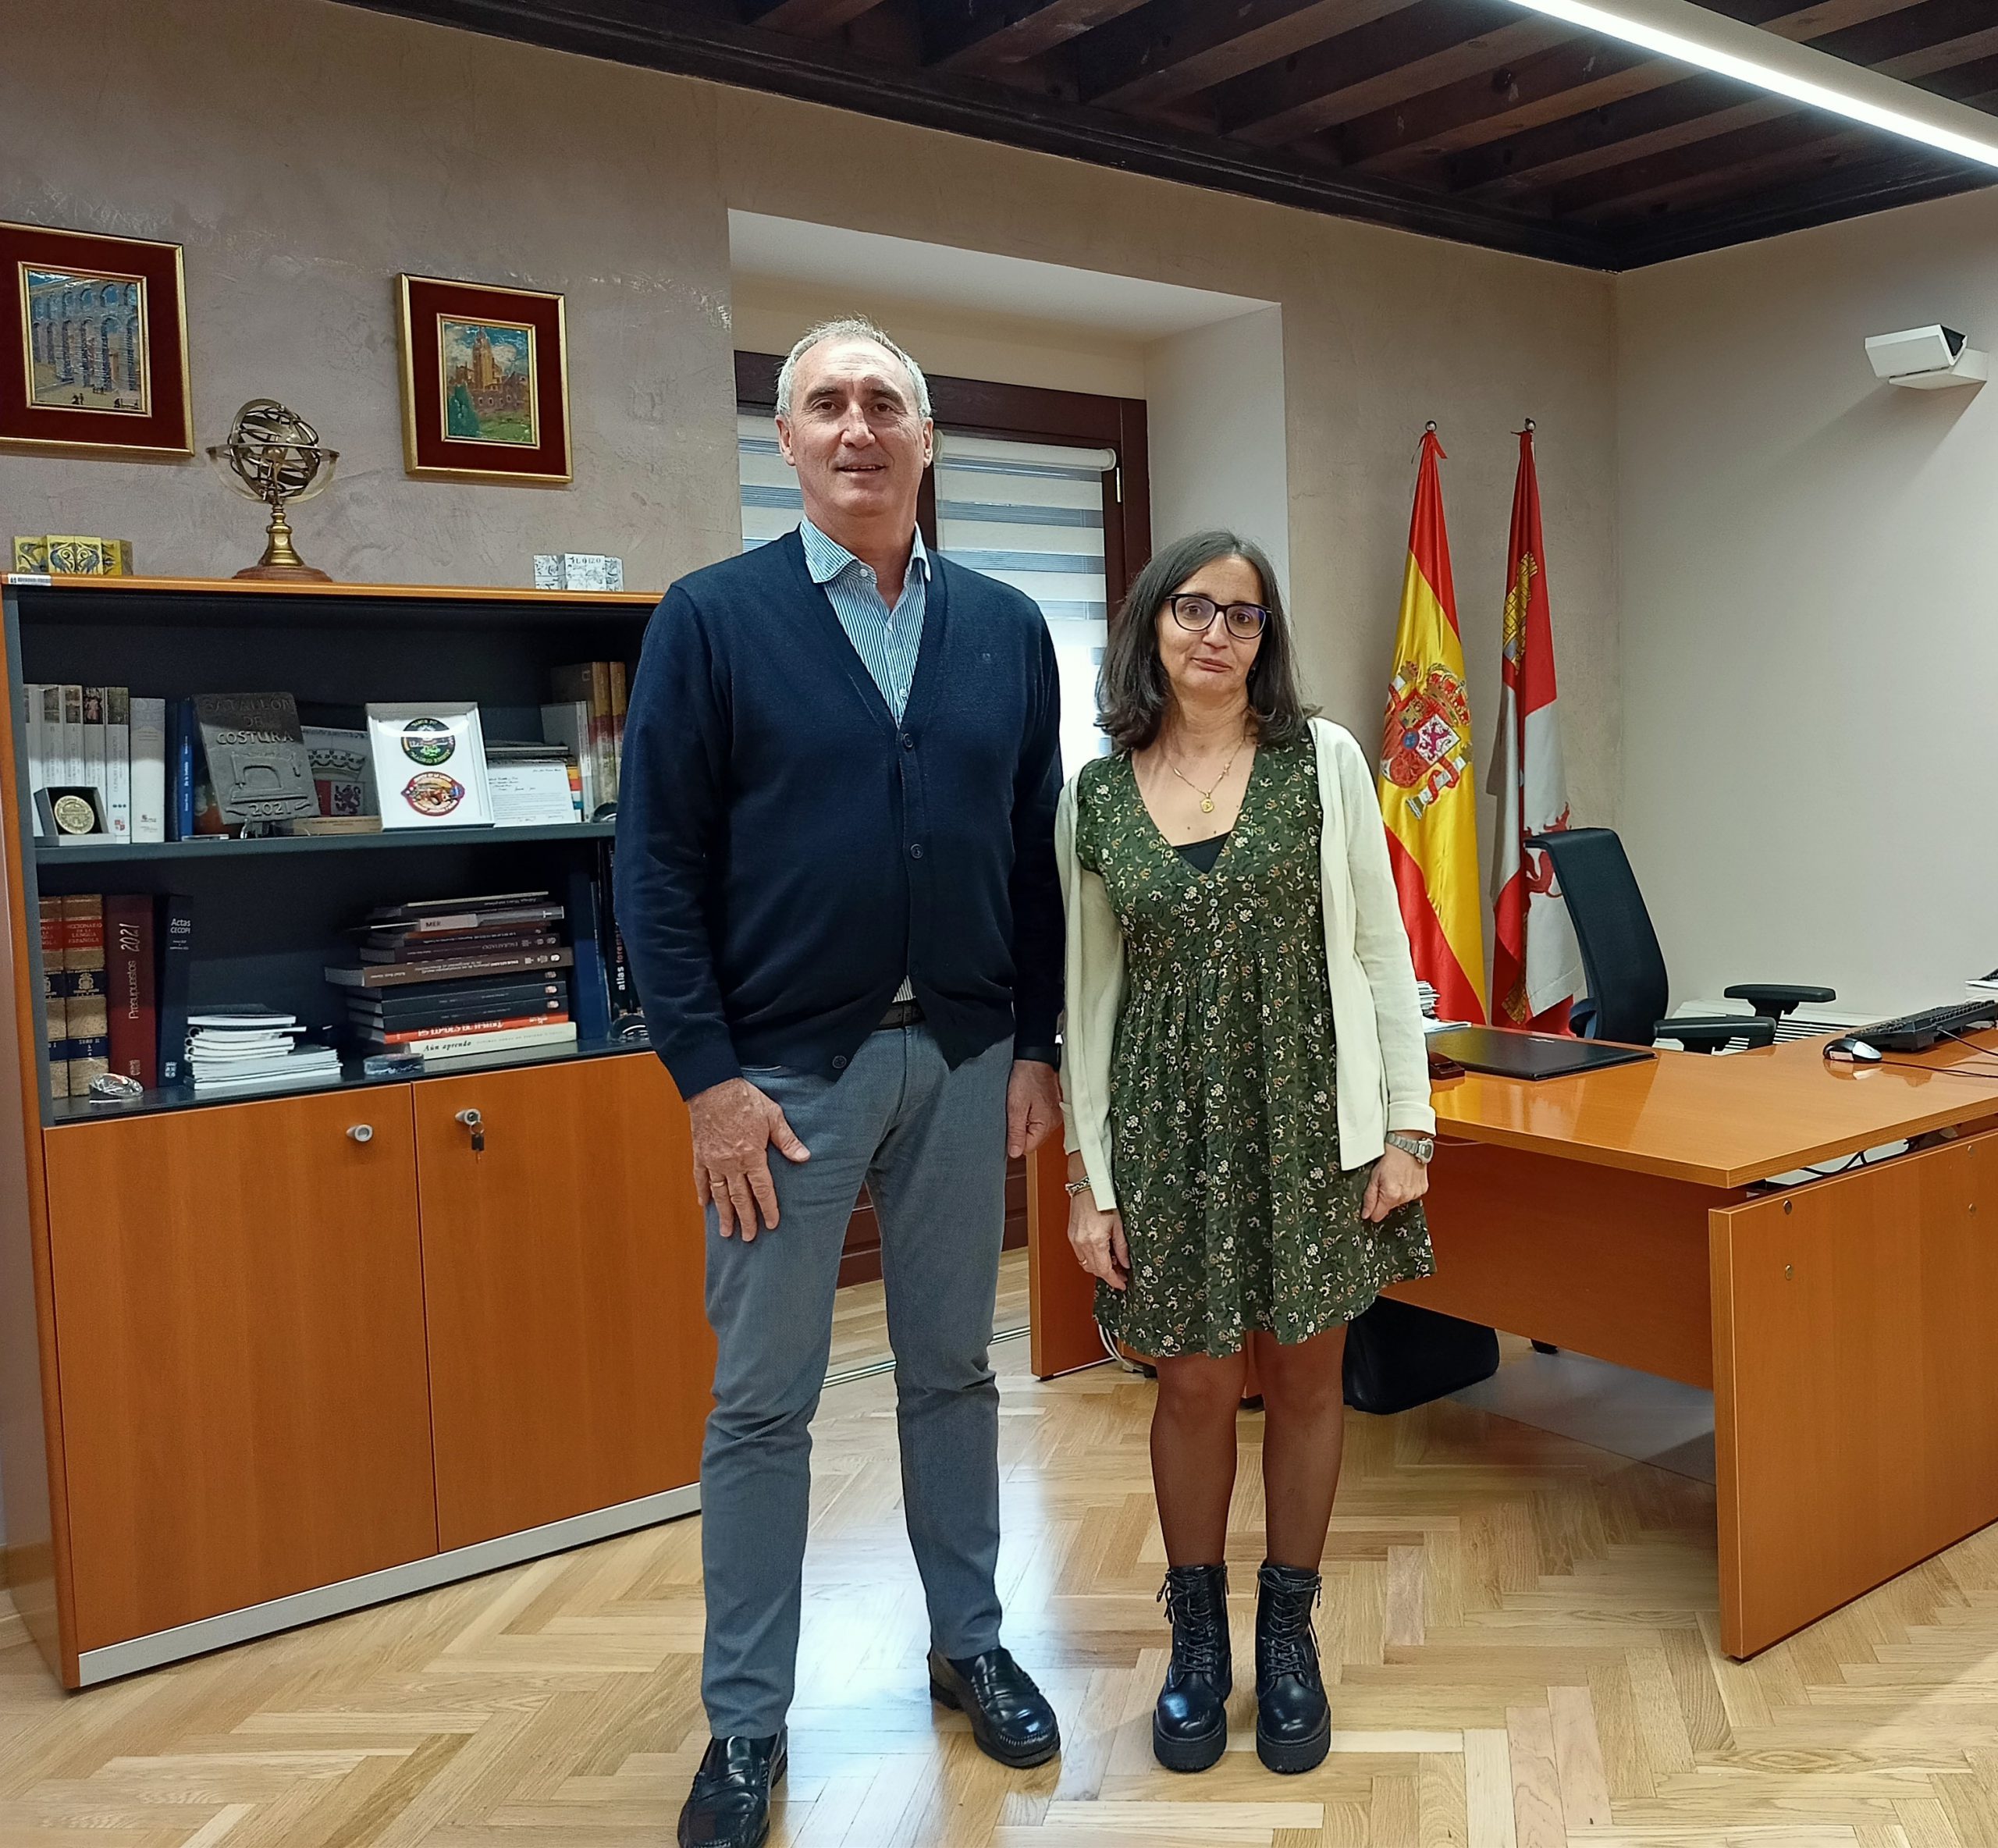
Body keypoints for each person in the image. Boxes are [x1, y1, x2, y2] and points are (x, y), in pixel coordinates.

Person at [617, 318, 1067, 1848]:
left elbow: (1031, 855)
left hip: (965, 1056)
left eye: (885, 403)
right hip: (777, 1086)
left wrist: (1038, 1043)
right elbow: (655, 869)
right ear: (788, 440)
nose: (857, 427)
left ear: (926, 438)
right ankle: (747, 1722)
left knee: (953, 1370)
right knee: (762, 1404)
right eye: (827, 404)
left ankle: (969, 1642)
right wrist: (706, 1081)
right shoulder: (712, 620)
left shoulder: (1005, 626)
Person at [1057, 530, 1437, 1777]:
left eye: (1244, 614)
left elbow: (1381, 951)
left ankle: (1287, 1635)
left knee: (1310, 1381)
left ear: (1266, 638)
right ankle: (1198, 1643)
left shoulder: (1322, 761)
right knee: (1195, 1387)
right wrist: (1089, 1181)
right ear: (1151, 623)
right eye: (1193, 608)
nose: (1217, 633)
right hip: (1166, 1136)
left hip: (1312, 1125)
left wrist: (1406, 1128)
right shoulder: (1095, 794)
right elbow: (1087, 999)